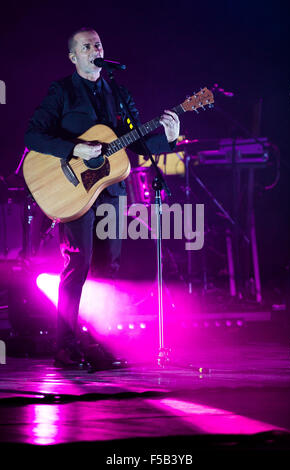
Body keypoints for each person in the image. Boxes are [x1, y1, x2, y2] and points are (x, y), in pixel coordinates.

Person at [25, 27, 180, 368]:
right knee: (77, 265)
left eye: (98, 43)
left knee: (107, 267)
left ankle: (97, 344)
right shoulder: (62, 91)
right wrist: (74, 147)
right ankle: (65, 346)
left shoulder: (119, 94)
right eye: (87, 45)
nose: (95, 48)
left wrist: (168, 139)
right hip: (73, 190)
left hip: (110, 190)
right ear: (74, 56)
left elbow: (136, 143)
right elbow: (33, 135)